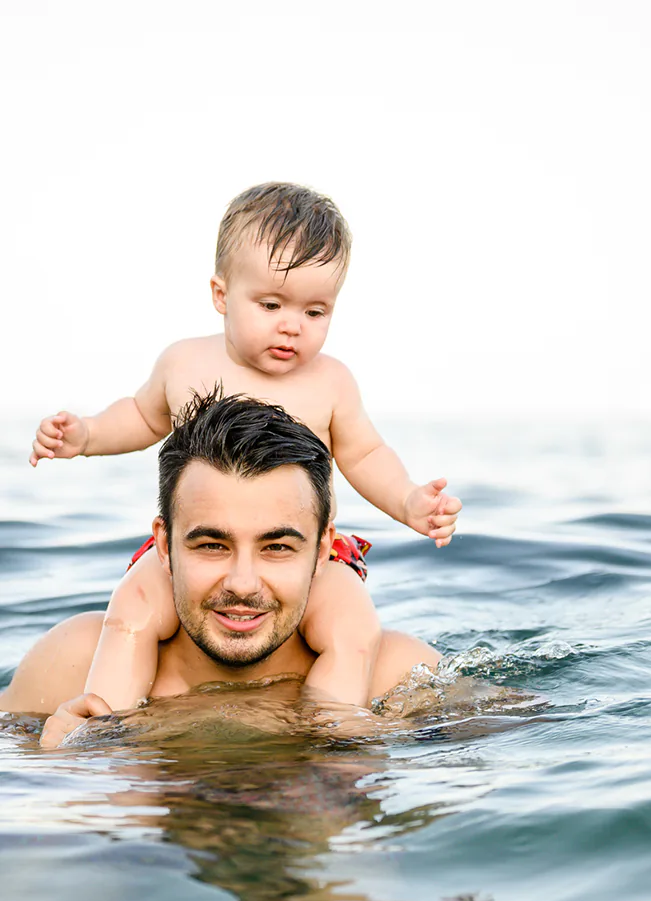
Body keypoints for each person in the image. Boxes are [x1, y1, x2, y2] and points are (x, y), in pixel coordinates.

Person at [27, 182, 460, 713]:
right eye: (271, 303)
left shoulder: (330, 381)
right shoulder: (185, 362)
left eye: (315, 312)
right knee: (131, 611)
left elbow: (365, 455)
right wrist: (88, 436)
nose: (291, 326)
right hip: (200, 546)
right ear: (221, 295)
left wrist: (409, 501)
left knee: (354, 627)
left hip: (303, 554)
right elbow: (142, 415)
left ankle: (335, 729)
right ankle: (104, 718)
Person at [2, 392, 441, 746]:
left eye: (278, 546)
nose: (242, 583)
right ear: (163, 546)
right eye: (212, 545)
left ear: (324, 548)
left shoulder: (399, 682)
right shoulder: (70, 666)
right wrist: (62, 771)